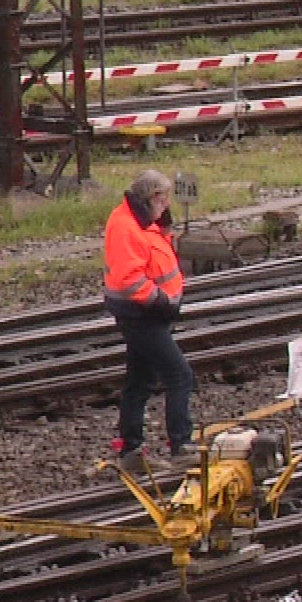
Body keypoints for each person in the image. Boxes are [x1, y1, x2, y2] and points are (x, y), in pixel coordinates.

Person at [102, 170, 193, 475]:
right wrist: (162, 302)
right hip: (142, 314)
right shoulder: (126, 226)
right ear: (150, 197)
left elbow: (154, 258)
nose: (167, 204)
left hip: (145, 313)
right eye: (163, 198)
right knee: (180, 375)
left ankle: (132, 450)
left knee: (139, 382)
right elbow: (130, 278)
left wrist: (164, 229)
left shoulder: (141, 221)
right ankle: (181, 446)